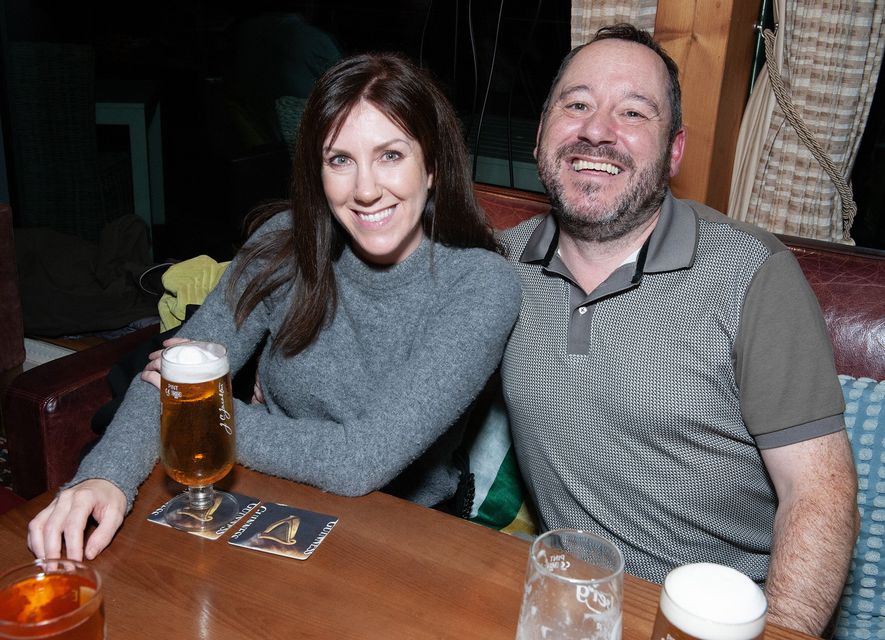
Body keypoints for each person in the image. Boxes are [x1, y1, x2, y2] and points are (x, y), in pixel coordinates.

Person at [28, 52, 521, 562]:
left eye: (391, 155)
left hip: (399, 536)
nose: (367, 189)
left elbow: (358, 462)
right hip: (272, 501)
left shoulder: (481, 286)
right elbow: (172, 377)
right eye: (340, 160)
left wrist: (201, 411)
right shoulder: (281, 245)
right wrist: (103, 478)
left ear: (433, 164)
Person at [498, 24, 858, 636]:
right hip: (566, 603)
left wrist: (783, 631)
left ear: (674, 151)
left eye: (633, 112)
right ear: (540, 134)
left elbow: (818, 493)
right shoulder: (494, 273)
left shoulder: (752, 274)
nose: (597, 130)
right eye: (576, 104)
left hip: (712, 619)